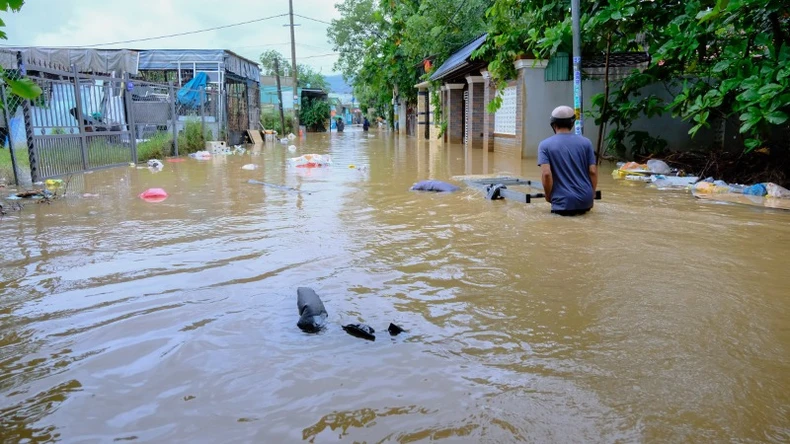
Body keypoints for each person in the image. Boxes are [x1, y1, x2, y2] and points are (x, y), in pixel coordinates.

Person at [537, 105, 598, 216]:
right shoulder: (586, 142)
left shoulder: (544, 145)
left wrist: (547, 195)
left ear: (553, 125)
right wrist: (592, 194)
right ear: (572, 123)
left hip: (562, 203)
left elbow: (546, 174)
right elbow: (592, 171)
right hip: (586, 200)